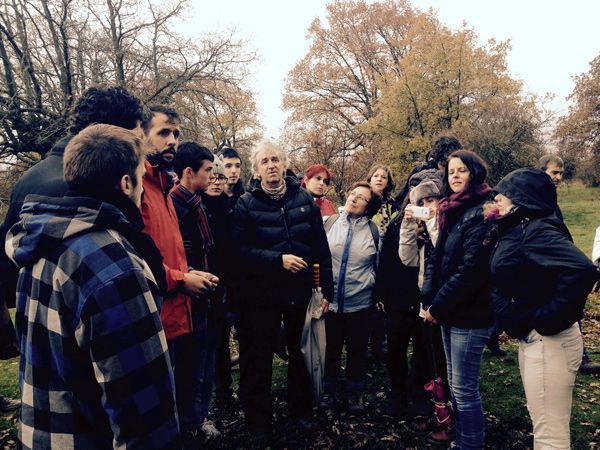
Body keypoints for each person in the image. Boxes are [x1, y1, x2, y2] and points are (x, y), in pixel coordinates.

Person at [5, 124, 180, 448]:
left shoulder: (37, 245)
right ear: (127, 184)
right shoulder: (114, 265)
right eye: (141, 178)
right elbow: (145, 414)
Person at [0, 85, 145, 366]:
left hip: (44, 349)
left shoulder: (30, 178)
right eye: (138, 135)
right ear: (115, 134)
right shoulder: (90, 184)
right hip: (86, 356)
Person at [231, 140, 333, 443]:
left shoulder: (303, 198)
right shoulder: (246, 204)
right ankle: (259, 422)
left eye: (275, 159)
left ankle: (300, 411)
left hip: (299, 291)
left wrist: (325, 290)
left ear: (285, 162)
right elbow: (237, 251)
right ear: (256, 168)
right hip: (260, 295)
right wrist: (277, 260)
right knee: (258, 358)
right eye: (264, 161)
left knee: (301, 353)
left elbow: (320, 249)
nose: (271, 165)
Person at [488, 167, 597, 450]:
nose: (497, 197)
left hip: (550, 342)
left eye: (505, 193)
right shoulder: (518, 228)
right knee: (544, 425)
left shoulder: (536, 230)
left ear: (523, 198)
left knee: (550, 436)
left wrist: (545, 319)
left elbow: (582, 270)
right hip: (537, 341)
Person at [141, 105, 218, 441]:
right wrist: (180, 278)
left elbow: (171, 250)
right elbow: (137, 258)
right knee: (158, 404)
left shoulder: (163, 187)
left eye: (175, 133)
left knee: (188, 383)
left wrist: (190, 274)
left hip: (183, 309)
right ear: (141, 135)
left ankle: (190, 427)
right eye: (163, 133)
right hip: (156, 314)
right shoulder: (137, 186)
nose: (172, 140)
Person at [421, 149, 494, 449]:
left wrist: (438, 305)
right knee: (455, 384)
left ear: (474, 172)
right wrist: (428, 297)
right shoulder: (451, 208)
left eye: (461, 170)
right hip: (449, 310)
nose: (454, 176)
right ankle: (462, 440)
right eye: (451, 171)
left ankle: (471, 444)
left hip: (471, 313)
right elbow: (438, 256)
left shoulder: (482, 211)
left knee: (464, 389)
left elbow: (471, 271)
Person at [170, 142, 223, 441]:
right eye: (208, 171)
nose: (213, 176)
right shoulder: (174, 205)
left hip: (204, 298)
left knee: (203, 361)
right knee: (188, 368)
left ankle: (198, 417)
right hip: (183, 301)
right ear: (189, 173)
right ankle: (189, 422)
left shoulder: (198, 204)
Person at [320, 181, 382, 413]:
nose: (353, 199)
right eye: (352, 193)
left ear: (369, 207)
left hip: (361, 306)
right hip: (331, 305)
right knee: (331, 351)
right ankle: (329, 391)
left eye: (361, 198)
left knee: (357, 352)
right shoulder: (329, 223)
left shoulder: (375, 233)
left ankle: (355, 393)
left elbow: (378, 268)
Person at [397, 176, 449, 433]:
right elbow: (407, 259)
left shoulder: (449, 227)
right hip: (424, 303)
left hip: (450, 302)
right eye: (422, 202)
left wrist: (432, 223)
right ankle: (422, 406)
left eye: (432, 200)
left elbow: (446, 255)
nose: (428, 205)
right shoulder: (421, 231)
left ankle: (446, 407)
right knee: (422, 355)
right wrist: (407, 227)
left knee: (445, 358)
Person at [366, 163, 396, 363]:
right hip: (367, 254)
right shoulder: (364, 200)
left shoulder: (393, 205)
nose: (379, 179)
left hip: (386, 257)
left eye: (383, 177)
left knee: (381, 300)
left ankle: (380, 343)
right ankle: (366, 343)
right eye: (375, 175)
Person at [395, 133, 463, 207]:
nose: (448, 171)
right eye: (444, 165)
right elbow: (400, 201)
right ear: (436, 160)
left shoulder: (460, 177)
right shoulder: (420, 174)